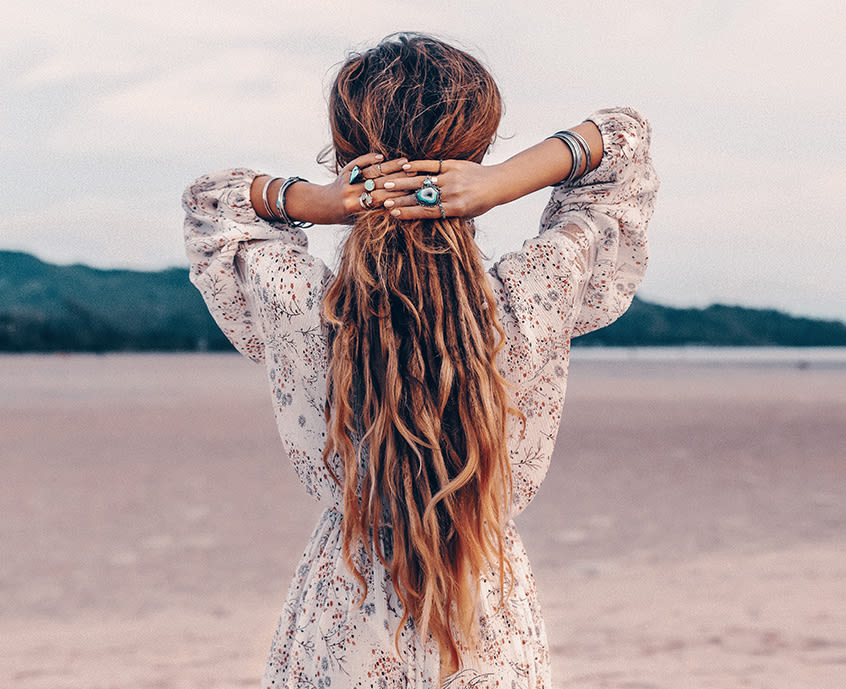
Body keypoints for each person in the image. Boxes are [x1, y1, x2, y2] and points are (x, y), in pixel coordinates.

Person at [183, 32, 657, 689]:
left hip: (344, 615)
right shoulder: (534, 293)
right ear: (478, 149)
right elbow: (623, 140)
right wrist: (499, 184)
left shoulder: (300, 300)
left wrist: (315, 202)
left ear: (348, 155)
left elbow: (212, 202)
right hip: (485, 616)